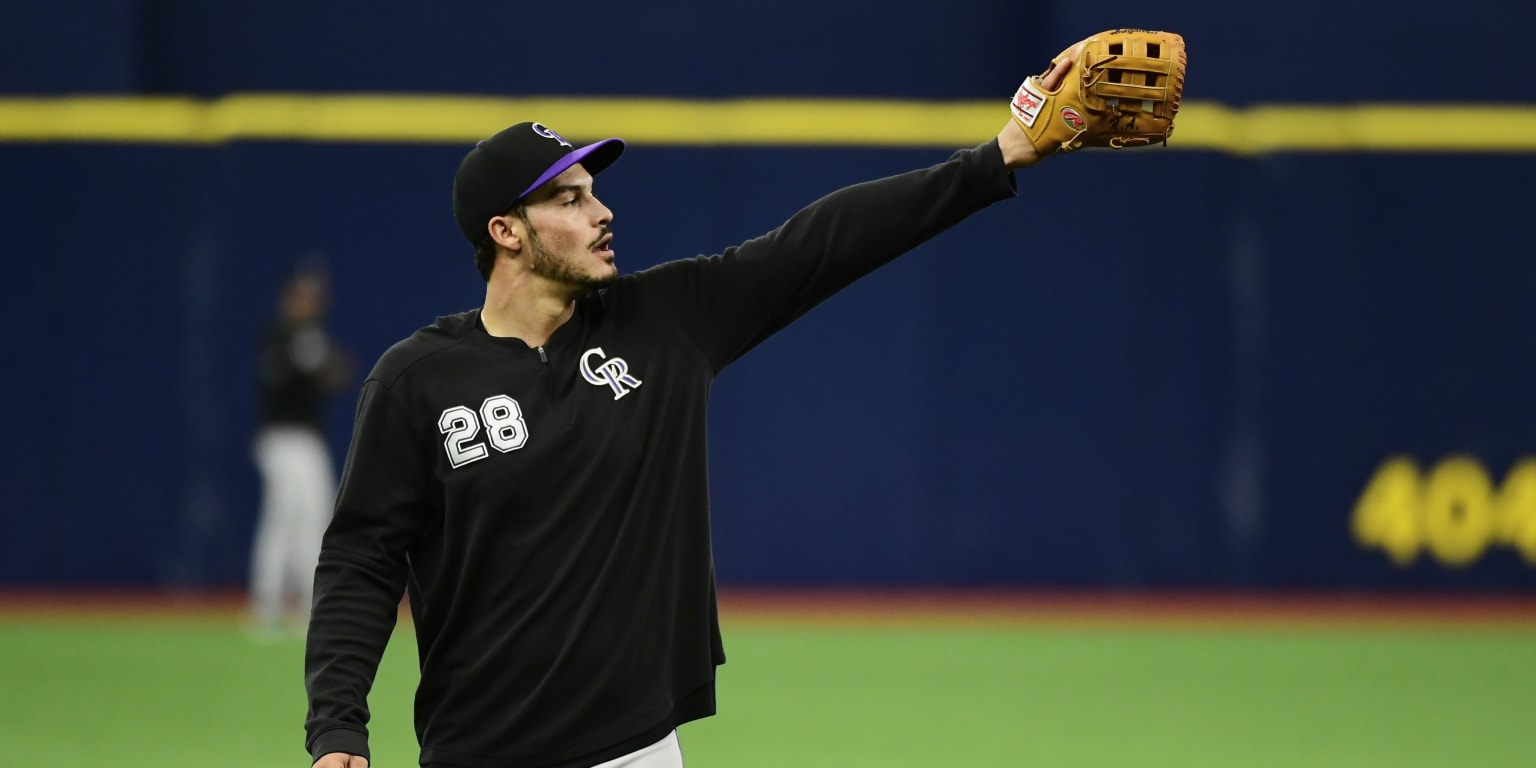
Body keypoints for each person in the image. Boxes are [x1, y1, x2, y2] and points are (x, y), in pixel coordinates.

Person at [306, 55, 1080, 768]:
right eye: (570, 199)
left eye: (594, 192)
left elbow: (822, 244)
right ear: (506, 231)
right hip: (478, 749)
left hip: (635, 749)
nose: (601, 211)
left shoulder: (664, 324)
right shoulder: (417, 380)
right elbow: (362, 556)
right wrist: (338, 725)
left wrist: (998, 155)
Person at [249, 258, 353, 634]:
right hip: (281, 438)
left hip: (308, 438)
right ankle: (267, 602)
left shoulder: (312, 335)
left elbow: (339, 373)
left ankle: (307, 604)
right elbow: (308, 375)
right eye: (304, 294)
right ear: (290, 295)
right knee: (285, 516)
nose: (310, 301)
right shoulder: (281, 335)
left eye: (315, 295)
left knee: (314, 518)